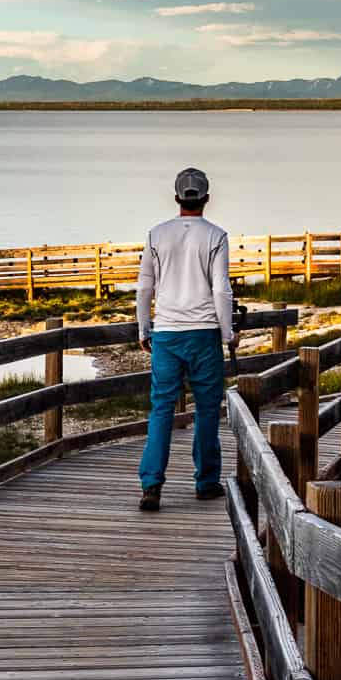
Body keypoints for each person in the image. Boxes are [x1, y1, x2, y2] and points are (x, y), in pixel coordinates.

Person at [136, 167, 238, 511]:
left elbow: (145, 286)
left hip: (166, 333)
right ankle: (206, 482)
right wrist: (228, 333)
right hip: (204, 332)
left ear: (177, 197)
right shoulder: (217, 236)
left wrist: (143, 328)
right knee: (208, 409)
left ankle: (151, 485)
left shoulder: (156, 235)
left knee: (161, 408)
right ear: (206, 199)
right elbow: (220, 288)